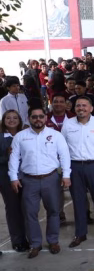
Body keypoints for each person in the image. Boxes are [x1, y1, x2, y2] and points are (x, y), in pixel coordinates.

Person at [9, 106, 71, 258]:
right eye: (34, 117)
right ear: (29, 118)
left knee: (54, 211)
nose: (38, 119)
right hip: (29, 180)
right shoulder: (20, 136)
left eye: (41, 116)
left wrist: (66, 175)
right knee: (30, 213)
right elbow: (14, 158)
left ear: (45, 118)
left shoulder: (55, 135)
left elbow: (64, 155)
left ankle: (53, 241)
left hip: (51, 178)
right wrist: (13, 178)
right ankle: (35, 244)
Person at [62, 96, 94, 247]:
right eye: (78, 105)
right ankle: (80, 234)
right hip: (75, 166)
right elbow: (62, 148)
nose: (81, 108)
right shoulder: (68, 124)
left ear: (91, 108)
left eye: (84, 105)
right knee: (78, 202)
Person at [0, 110, 28, 252]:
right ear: (3, 120)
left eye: (15, 118)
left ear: (19, 120)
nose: (11, 120)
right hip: (7, 179)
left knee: (27, 209)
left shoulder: (25, 135)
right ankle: (18, 240)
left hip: (26, 177)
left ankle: (29, 237)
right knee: (13, 209)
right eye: (8, 118)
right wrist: (7, 155)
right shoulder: (1, 137)